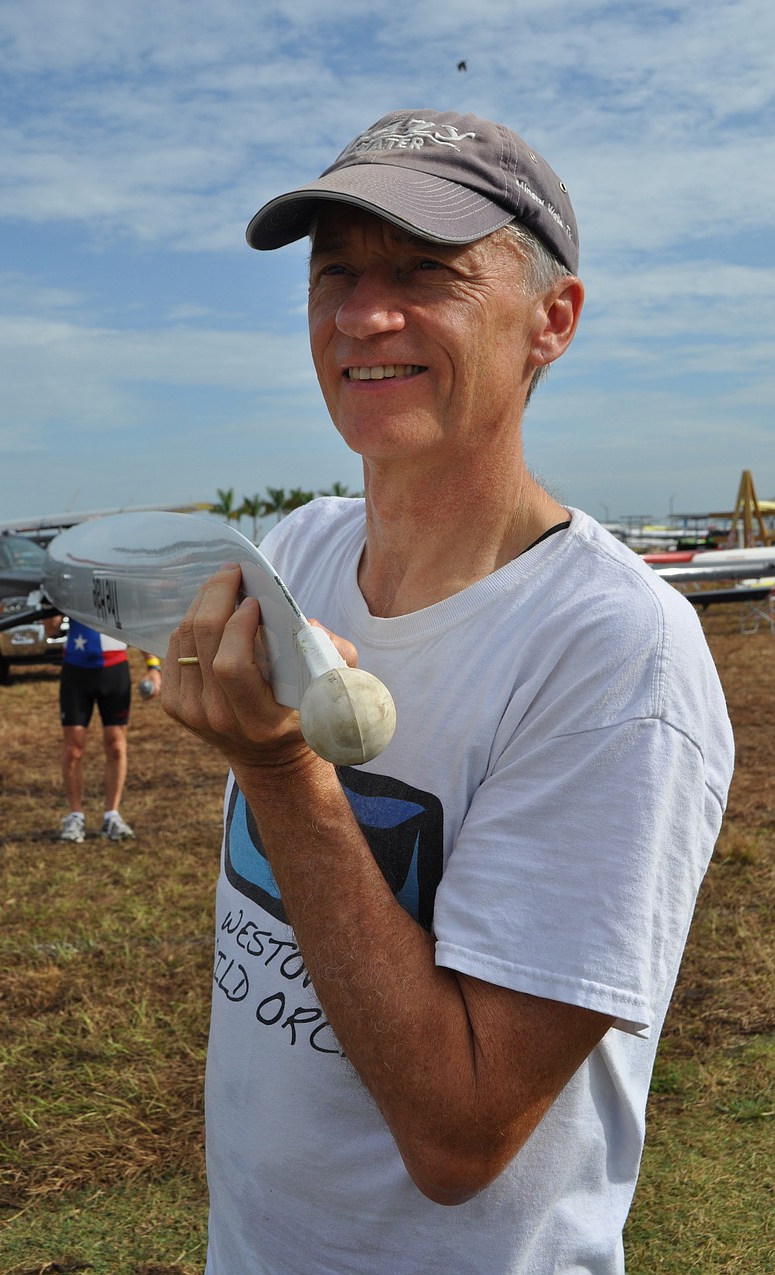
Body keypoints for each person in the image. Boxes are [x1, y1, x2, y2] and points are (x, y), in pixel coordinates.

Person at [162, 110, 734, 1274]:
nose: (363, 317)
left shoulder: (615, 651)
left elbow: (460, 1135)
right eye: (336, 275)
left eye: (427, 273)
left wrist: (279, 772)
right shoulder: (301, 555)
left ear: (551, 321)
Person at [51, 616, 162, 843]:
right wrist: (48, 610)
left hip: (114, 670)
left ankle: (112, 815)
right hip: (76, 670)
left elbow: (135, 622)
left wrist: (153, 667)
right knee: (74, 748)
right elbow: (50, 630)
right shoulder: (72, 581)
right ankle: (75, 816)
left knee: (116, 746)